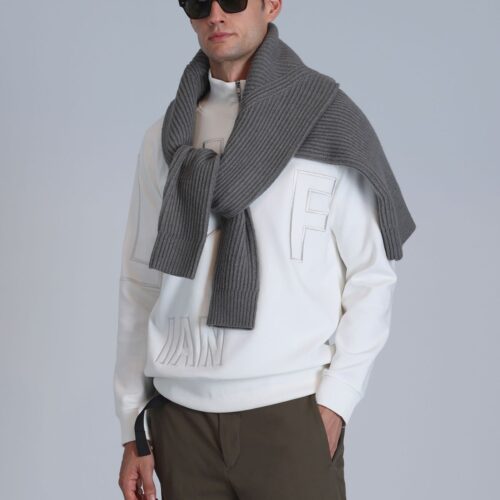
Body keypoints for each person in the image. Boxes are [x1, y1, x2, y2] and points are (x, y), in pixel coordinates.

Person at [114, 1, 415, 499]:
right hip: (181, 424)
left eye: (233, 0)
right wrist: (133, 424)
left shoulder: (326, 122)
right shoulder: (165, 139)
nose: (216, 15)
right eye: (199, 2)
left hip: (288, 418)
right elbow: (140, 281)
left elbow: (371, 277)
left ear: (272, 4)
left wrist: (336, 402)